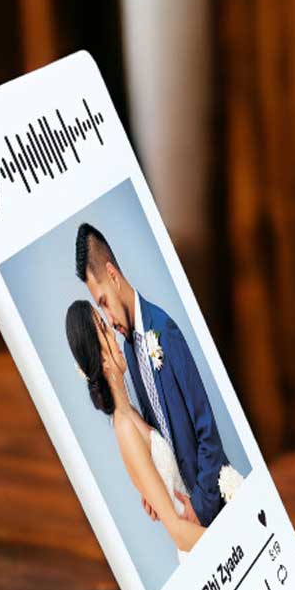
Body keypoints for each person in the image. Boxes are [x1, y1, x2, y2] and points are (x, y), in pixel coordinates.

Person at [74, 222, 231, 527]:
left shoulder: (164, 329)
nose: (108, 319)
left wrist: (200, 507)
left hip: (214, 505)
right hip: (184, 509)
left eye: (104, 303)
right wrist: (154, 482)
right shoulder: (129, 351)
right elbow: (157, 430)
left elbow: (207, 430)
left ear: (113, 275)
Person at [65, 300, 203, 555]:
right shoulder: (125, 427)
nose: (112, 332)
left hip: (199, 525)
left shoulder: (133, 413)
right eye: (103, 329)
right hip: (197, 546)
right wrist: (231, 538)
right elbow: (177, 533)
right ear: (101, 359)